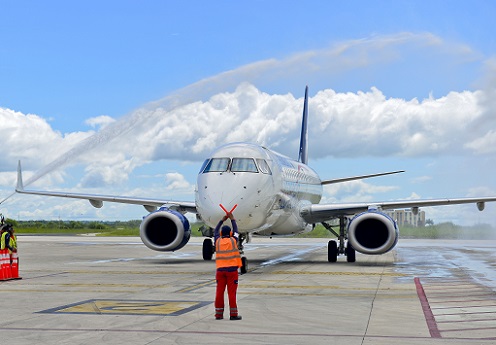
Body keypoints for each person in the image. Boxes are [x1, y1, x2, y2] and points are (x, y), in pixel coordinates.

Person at [214, 212, 242, 320]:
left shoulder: (217, 241)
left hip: (220, 271)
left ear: (221, 233)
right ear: (230, 233)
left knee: (219, 293)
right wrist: (232, 219)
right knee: (232, 293)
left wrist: (222, 220)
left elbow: (215, 231)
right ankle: (233, 314)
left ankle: (218, 315)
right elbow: (236, 231)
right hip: (231, 271)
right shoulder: (233, 240)